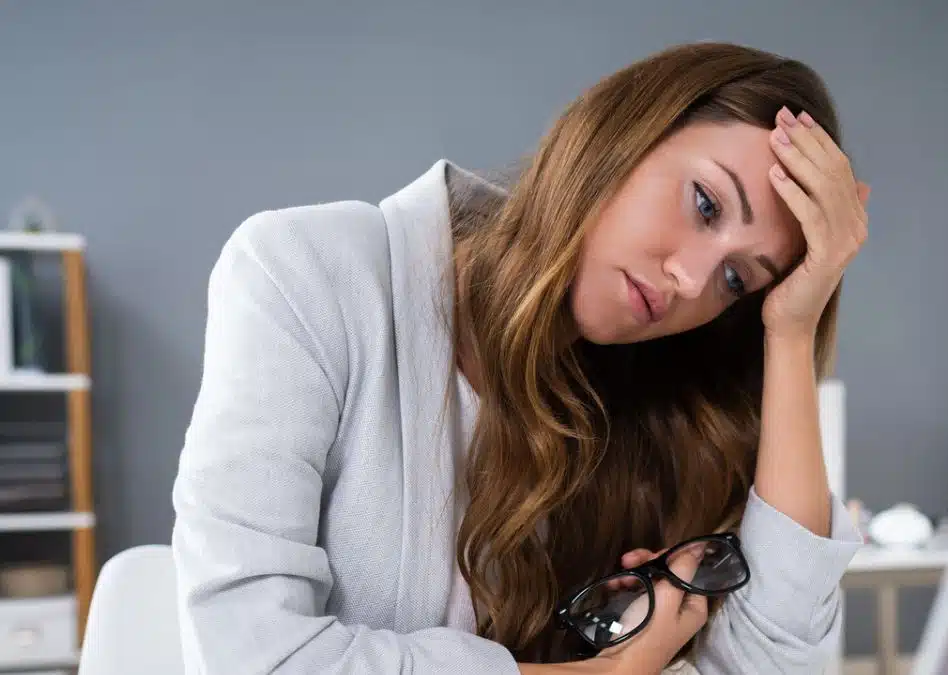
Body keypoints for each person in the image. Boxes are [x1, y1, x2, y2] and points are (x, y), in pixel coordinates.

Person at [171, 41, 869, 674]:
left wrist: (792, 325)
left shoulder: (642, 416)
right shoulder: (303, 275)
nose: (692, 278)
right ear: (627, 130)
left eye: (736, 279)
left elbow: (770, 659)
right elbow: (251, 656)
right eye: (705, 204)